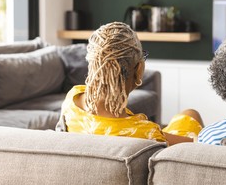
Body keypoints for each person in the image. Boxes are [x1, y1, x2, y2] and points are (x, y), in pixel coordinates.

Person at [56, 22, 203, 146]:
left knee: (186, 114)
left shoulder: (72, 100)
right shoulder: (145, 134)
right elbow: (194, 147)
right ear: (139, 69)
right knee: (191, 114)